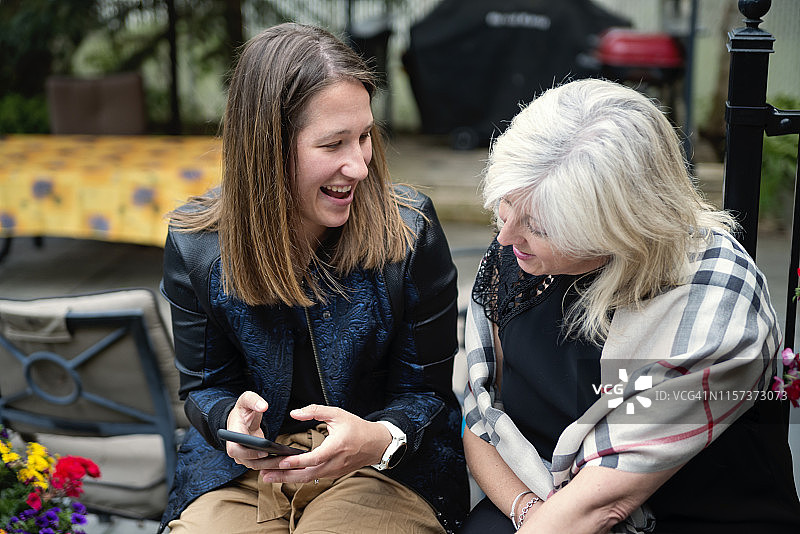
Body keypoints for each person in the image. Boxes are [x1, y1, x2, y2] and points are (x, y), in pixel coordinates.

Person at [159, 22, 468, 534]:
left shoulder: (410, 232)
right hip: (242, 472)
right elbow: (205, 385)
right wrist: (230, 426)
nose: (360, 166)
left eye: (365, 137)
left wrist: (380, 438)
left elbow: (427, 392)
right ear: (266, 148)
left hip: (384, 468)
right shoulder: (196, 243)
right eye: (333, 144)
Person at [459, 78, 800, 533]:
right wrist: (524, 508)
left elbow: (602, 508)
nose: (505, 237)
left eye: (537, 226)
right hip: (534, 497)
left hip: (683, 514)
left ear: (617, 227)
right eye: (505, 207)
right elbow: (480, 411)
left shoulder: (713, 308)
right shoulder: (520, 254)